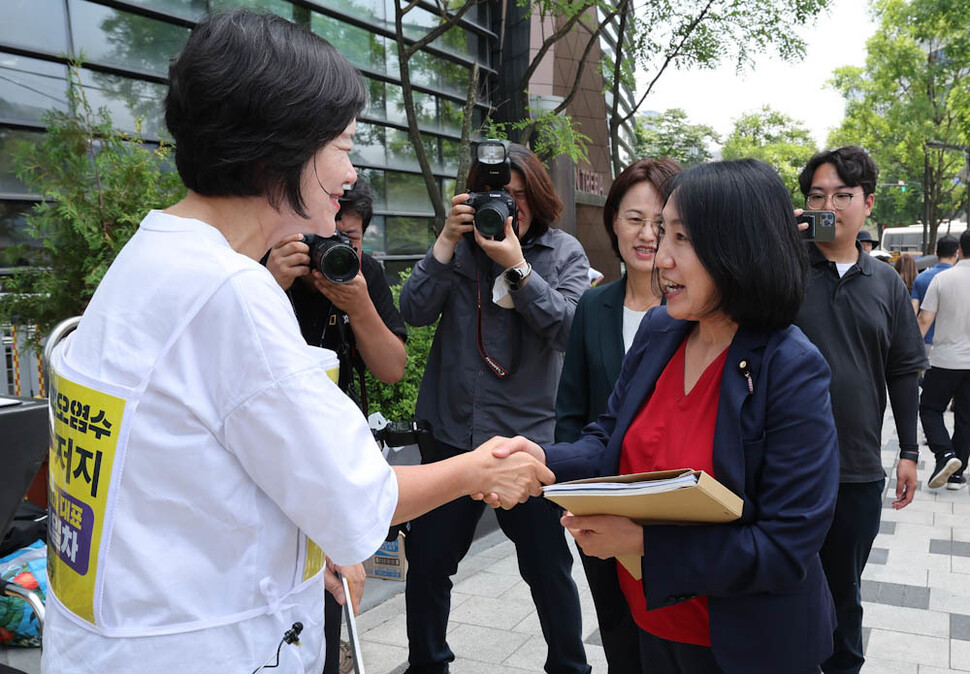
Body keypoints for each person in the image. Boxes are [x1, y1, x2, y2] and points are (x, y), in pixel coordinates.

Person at [40, 12, 552, 673]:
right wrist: (481, 469)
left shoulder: (150, 256)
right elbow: (354, 503)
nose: (349, 173)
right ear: (280, 148)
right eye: (341, 145)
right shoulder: (229, 293)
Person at [490, 159, 840, 673]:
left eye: (682, 239)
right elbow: (607, 436)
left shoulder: (791, 367)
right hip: (649, 627)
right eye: (660, 234)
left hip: (744, 647)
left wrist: (644, 543)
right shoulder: (661, 331)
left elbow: (784, 548)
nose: (662, 259)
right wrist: (540, 458)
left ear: (738, 249)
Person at [399, 143, 591, 674]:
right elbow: (413, 311)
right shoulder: (459, 248)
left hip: (522, 444)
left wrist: (518, 269)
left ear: (538, 198)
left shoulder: (563, 252)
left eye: (518, 195)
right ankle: (427, 666)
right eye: (495, 194)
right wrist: (444, 241)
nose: (507, 206)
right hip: (452, 436)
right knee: (430, 567)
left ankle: (570, 667)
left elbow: (571, 333)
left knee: (547, 569)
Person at [264, 178, 407, 674]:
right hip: (266, 454)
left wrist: (360, 305)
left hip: (327, 456)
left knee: (327, 597)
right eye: (321, 238)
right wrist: (269, 281)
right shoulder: (258, 275)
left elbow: (391, 369)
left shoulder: (363, 273)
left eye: (349, 240)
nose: (335, 251)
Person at [794, 146, 927, 674]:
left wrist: (911, 453)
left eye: (843, 195)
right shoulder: (784, 271)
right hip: (785, 466)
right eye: (818, 196)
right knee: (787, 585)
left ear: (867, 204)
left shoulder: (888, 283)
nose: (831, 205)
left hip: (855, 470)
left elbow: (902, 371)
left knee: (843, 592)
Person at [555, 157, 681, 672]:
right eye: (635, 218)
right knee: (619, 637)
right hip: (602, 506)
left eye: (662, 222)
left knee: (673, 642)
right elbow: (572, 410)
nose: (648, 234)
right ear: (612, 222)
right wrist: (573, 494)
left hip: (673, 513)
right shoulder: (593, 305)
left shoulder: (693, 312)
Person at [917, 230, 970, 491]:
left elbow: (924, 320)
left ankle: (945, 454)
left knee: (929, 408)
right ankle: (957, 476)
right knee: (966, 417)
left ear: (959, 250)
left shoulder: (943, 279)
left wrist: (912, 355)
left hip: (945, 360)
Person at [911, 234, 959, 351]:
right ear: (956, 253)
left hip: (926, 342)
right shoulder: (960, 278)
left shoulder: (921, 278)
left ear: (936, 252)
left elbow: (913, 310)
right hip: (954, 343)